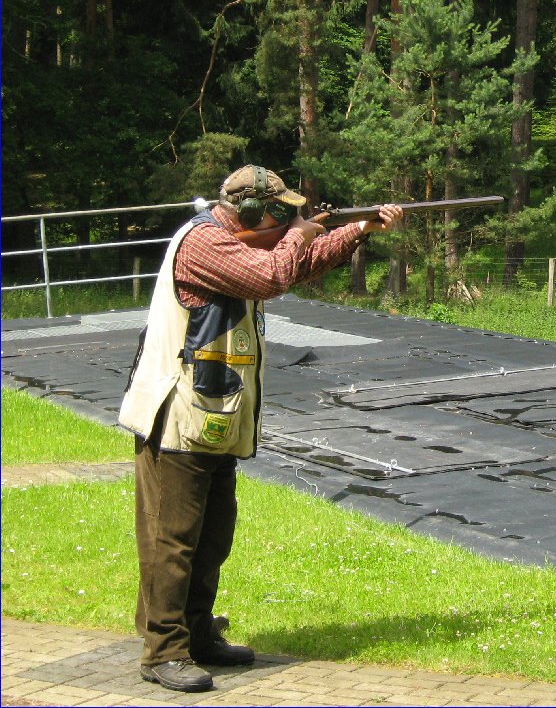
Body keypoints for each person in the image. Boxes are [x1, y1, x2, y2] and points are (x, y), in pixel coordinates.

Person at [118, 164, 402, 693]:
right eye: (277, 212)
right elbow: (270, 275)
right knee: (171, 542)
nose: (284, 220)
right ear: (250, 212)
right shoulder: (203, 243)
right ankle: (163, 650)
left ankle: (197, 634)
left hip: (212, 416)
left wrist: (360, 229)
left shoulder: (236, 243)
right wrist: (299, 233)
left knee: (211, 537)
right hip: (176, 415)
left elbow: (292, 266)